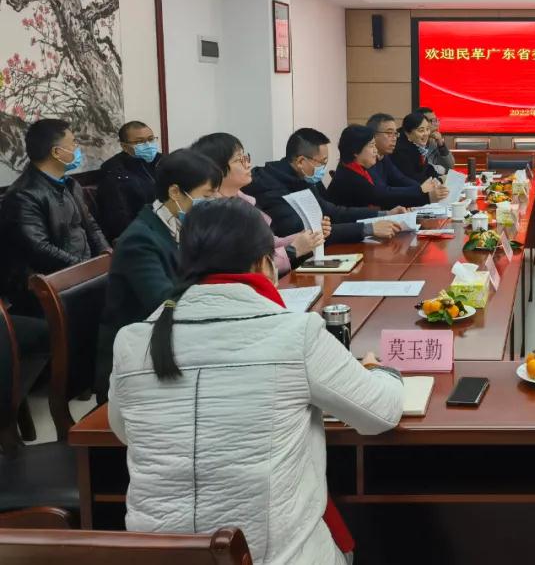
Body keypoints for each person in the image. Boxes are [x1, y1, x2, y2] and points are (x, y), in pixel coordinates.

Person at [109, 198, 404, 565]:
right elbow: (381, 413)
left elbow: (124, 431)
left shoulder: (134, 339)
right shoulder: (296, 333)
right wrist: (381, 371)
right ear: (266, 263)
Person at [95, 149, 222, 401]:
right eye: (207, 196)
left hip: (174, 340)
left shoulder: (181, 225)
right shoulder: (140, 240)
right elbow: (163, 303)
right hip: (139, 358)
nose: (214, 201)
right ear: (175, 192)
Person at [0, 119, 109, 314]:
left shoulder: (70, 184)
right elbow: (40, 249)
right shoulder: (24, 195)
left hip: (83, 275)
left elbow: (91, 226)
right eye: (73, 143)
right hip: (50, 286)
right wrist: (84, 269)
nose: (78, 149)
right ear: (57, 152)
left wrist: (105, 255)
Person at [191, 132, 328, 274]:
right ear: (216, 169)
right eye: (239, 160)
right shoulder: (214, 214)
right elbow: (244, 267)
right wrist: (293, 250)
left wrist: (308, 236)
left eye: (246, 157)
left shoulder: (242, 201)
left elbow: (269, 243)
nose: (248, 164)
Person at [244, 128, 403, 243]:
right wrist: (368, 228)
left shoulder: (304, 177)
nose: (323, 169)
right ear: (301, 161)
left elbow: (331, 211)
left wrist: (384, 214)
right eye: (322, 162)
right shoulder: (269, 187)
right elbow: (305, 230)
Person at [327, 124, 448, 210]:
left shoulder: (359, 168)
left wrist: (421, 191)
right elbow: (381, 195)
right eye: (371, 146)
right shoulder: (350, 175)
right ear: (355, 151)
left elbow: (396, 183)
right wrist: (422, 193)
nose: (375, 150)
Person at [96, 120, 162, 242]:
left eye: (151, 139)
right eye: (140, 142)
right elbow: (118, 216)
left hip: (165, 227)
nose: (148, 145)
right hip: (138, 234)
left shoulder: (162, 161)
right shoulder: (113, 170)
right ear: (124, 146)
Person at [366, 113, 447, 203]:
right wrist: (422, 191)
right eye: (389, 133)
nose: (394, 138)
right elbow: (383, 192)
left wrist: (423, 189)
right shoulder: (367, 160)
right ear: (373, 135)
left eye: (395, 133)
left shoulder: (384, 157)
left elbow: (401, 179)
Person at [390, 111, 441, 184]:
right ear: (408, 133)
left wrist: (438, 179)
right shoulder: (400, 152)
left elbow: (427, 168)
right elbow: (413, 179)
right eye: (421, 130)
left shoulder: (418, 146)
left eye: (427, 129)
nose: (426, 134)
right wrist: (436, 182)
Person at [415, 106, 455, 173]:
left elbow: (450, 166)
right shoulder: (413, 143)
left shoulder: (434, 142)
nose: (436, 124)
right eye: (433, 121)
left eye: (436, 120)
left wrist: (441, 145)